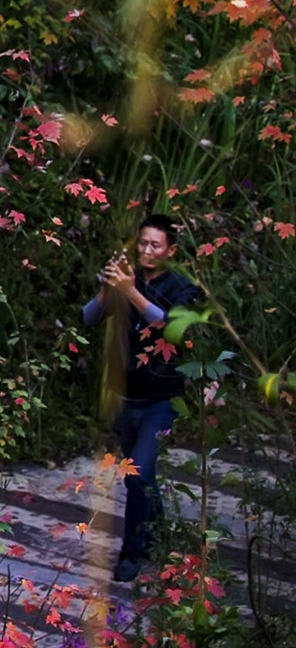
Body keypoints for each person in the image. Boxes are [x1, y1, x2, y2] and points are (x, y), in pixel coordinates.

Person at [78, 213, 205, 577]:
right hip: (126, 396)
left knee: (136, 475)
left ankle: (132, 555)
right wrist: (107, 289)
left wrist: (130, 291)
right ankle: (158, 536)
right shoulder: (125, 276)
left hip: (162, 398)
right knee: (143, 477)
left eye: (155, 245)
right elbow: (88, 318)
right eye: (143, 243)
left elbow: (171, 329)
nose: (147, 251)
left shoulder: (182, 286)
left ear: (171, 250)